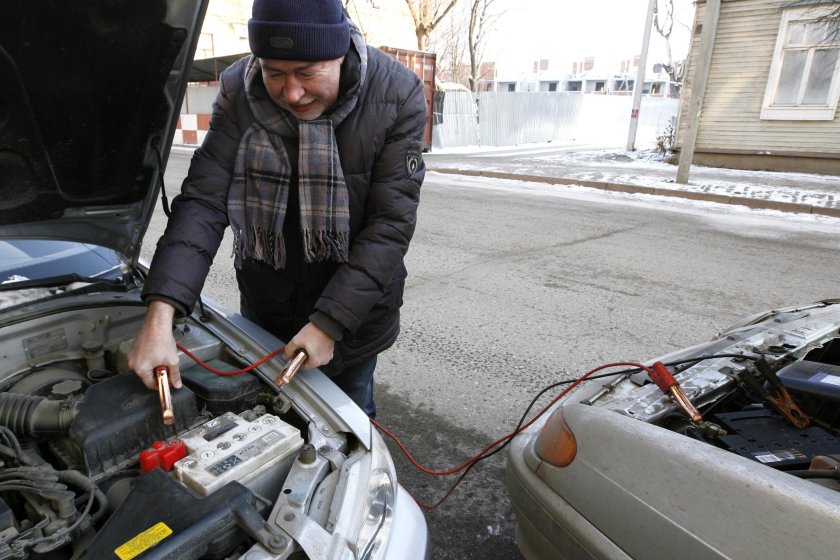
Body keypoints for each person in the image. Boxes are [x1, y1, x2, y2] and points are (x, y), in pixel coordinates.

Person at [127, 0, 427, 418]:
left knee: (348, 419)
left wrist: (329, 325)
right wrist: (161, 316)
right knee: (268, 420)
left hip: (353, 320)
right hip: (267, 304)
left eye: (307, 72)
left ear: (339, 53)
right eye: (274, 72)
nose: (292, 93)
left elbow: (389, 225)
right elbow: (204, 200)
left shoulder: (398, 93)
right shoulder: (239, 88)